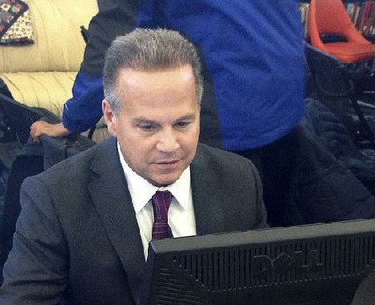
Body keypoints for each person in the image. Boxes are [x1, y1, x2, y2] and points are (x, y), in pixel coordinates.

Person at [0, 29, 267, 305]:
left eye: (184, 123)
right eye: (147, 127)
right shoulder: (55, 195)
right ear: (110, 118)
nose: (169, 144)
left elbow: (259, 294)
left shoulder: (239, 180)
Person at [29, 1, 304, 226]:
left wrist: (72, 118)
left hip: (229, 108)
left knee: (210, 247)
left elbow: (115, 33)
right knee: (270, 241)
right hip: (287, 95)